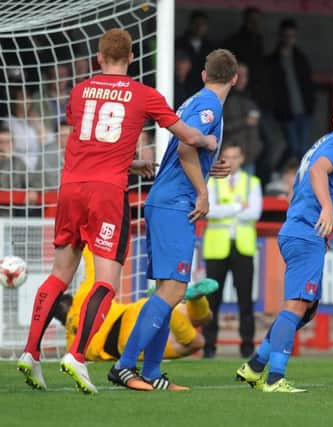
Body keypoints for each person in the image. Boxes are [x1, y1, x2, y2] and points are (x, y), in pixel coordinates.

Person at [16, 28, 214, 394]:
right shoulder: (144, 94)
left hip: (70, 187)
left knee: (60, 274)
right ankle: (77, 356)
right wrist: (207, 141)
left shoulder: (79, 91)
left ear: (98, 56)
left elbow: (93, 140)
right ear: (132, 57)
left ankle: (31, 352)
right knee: (106, 280)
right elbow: (185, 135)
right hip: (106, 193)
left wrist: (130, 162)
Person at [109, 49, 238, 391]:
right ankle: (124, 366)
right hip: (175, 204)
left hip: (165, 200)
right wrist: (203, 191)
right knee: (174, 289)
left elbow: (190, 149)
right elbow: (185, 148)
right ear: (236, 78)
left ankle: (151, 373)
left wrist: (211, 167)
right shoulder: (210, 106)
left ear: (203, 74)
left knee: (168, 290)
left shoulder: (194, 101)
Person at [236, 97, 333, 393]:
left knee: (306, 309)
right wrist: (326, 211)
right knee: (296, 307)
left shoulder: (321, 142)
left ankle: (255, 366)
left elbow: (297, 184)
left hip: (301, 230)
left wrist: (312, 224)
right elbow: (319, 172)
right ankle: (274, 378)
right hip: (305, 232)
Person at [53, 248, 217, 361]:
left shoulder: (71, 344)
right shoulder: (83, 297)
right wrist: (89, 239)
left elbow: (86, 356)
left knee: (196, 343)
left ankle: (167, 301)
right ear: (69, 299)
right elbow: (93, 266)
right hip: (133, 313)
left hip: (121, 345)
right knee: (204, 318)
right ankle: (191, 299)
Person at [202, 142, 262, 359]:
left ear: (242, 158)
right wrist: (238, 207)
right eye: (227, 157)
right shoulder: (212, 182)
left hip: (243, 247)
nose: (231, 161)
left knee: (245, 300)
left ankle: (247, 345)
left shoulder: (252, 182)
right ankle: (209, 346)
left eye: (235, 157)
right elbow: (209, 211)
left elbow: (254, 213)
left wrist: (224, 209)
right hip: (217, 247)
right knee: (212, 300)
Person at [267, 19, 315, 163]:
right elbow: (271, 88)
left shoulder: (301, 58)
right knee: (294, 147)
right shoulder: (273, 60)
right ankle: (279, 171)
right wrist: (277, 108)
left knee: (303, 149)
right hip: (286, 113)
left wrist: (311, 105)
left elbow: (308, 84)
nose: (289, 39)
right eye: (286, 36)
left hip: (304, 111)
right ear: (280, 36)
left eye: (292, 36)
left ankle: (299, 179)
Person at [222, 63, 262, 173]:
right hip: (230, 158)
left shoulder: (251, 97)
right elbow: (222, 127)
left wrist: (257, 148)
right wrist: (244, 122)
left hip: (250, 157)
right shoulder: (224, 99)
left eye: (245, 75)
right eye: (239, 75)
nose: (242, 79)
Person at [175, 11, 215, 94]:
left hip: (203, 89)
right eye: (196, 23)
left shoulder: (210, 47)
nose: (199, 27)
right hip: (182, 88)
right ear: (190, 24)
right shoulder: (178, 43)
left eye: (203, 24)